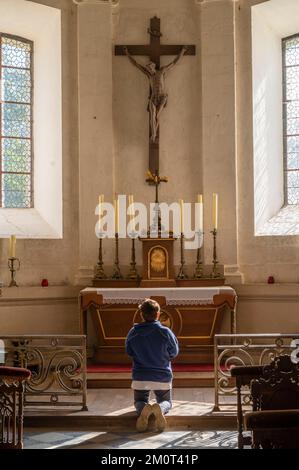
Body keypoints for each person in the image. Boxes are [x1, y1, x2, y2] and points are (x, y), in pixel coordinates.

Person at [125, 298, 179, 432]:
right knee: (166, 401)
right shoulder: (165, 332)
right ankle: (160, 408)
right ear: (158, 314)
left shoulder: (133, 332)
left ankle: (144, 408)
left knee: (139, 401)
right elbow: (174, 352)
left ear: (141, 315)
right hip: (162, 374)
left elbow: (129, 351)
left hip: (140, 375)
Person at [124, 45, 188, 143]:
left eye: (150, 68)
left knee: (157, 116)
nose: (149, 69)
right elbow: (136, 65)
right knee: (152, 115)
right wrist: (127, 53)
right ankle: (153, 134)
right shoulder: (148, 75)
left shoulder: (162, 71)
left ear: (153, 67)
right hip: (153, 98)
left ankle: (155, 132)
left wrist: (182, 51)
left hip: (162, 97)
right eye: (148, 68)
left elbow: (174, 63)